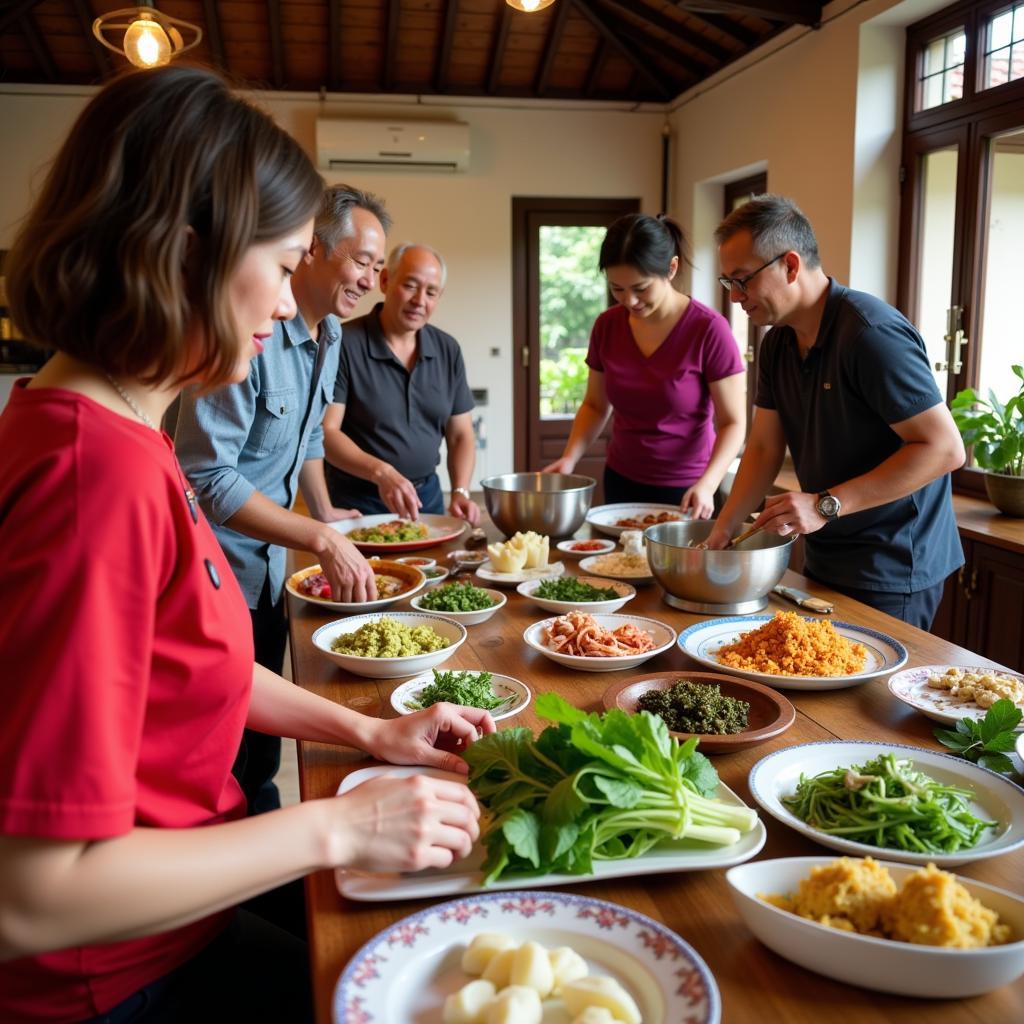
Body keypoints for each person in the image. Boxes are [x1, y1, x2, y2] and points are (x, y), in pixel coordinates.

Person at [0, 66, 489, 1024]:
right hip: (115, 975)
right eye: (283, 261)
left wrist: (367, 733)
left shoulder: (113, 432)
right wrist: (339, 824)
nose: (282, 304)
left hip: (182, 916)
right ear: (186, 254)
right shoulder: (90, 474)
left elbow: (193, 661)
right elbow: (33, 897)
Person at [173, 184, 390, 815]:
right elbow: (208, 476)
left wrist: (323, 513)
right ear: (314, 248)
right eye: (363, 262)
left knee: (261, 757)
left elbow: (308, 442)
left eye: (379, 268)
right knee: (220, 767)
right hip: (219, 580)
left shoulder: (331, 337)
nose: (372, 281)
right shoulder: (252, 334)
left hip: (271, 572)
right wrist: (320, 537)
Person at [707, 194, 965, 629]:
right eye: (726, 282)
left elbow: (944, 449)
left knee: (874, 698)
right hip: (828, 554)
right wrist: (724, 529)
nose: (734, 297)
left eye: (742, 280)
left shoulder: (871, 334)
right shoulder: (777, 343)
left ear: (790, 265)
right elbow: (766, 446)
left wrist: (825, 505)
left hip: (894, 562)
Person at [542, 213, 746, 518]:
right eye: (617, 288)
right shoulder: (607, 326)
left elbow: (733, 423)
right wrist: (570, 457)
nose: (630, 301)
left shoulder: (708, 329)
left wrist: (708, 483)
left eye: (641, 288)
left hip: (689, 489)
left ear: (671, 268)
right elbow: (596, 405)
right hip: (621, 480)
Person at [322, 243, 481, 525]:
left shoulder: (448, 349)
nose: (420, 300)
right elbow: (327, 432)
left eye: (431, 292)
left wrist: (460, 491)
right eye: (410, 285)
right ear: (384, 281)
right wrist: (381, 472)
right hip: (359, 502)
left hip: (428, 499)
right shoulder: (344, 343)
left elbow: (461, 435)